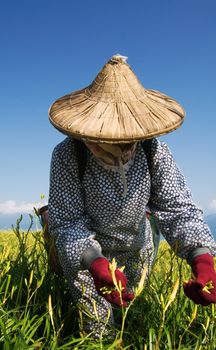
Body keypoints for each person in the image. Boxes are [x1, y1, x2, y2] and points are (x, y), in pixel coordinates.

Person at [46, 54, 216, 338]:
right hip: (86, 258)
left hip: (137, 249)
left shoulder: (153, 151)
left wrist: (202, 259)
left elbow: (177, 209)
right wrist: (96, 263)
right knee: (99, 329)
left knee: (129, 315)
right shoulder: (68, 155)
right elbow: (68, 223)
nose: (122, 147)